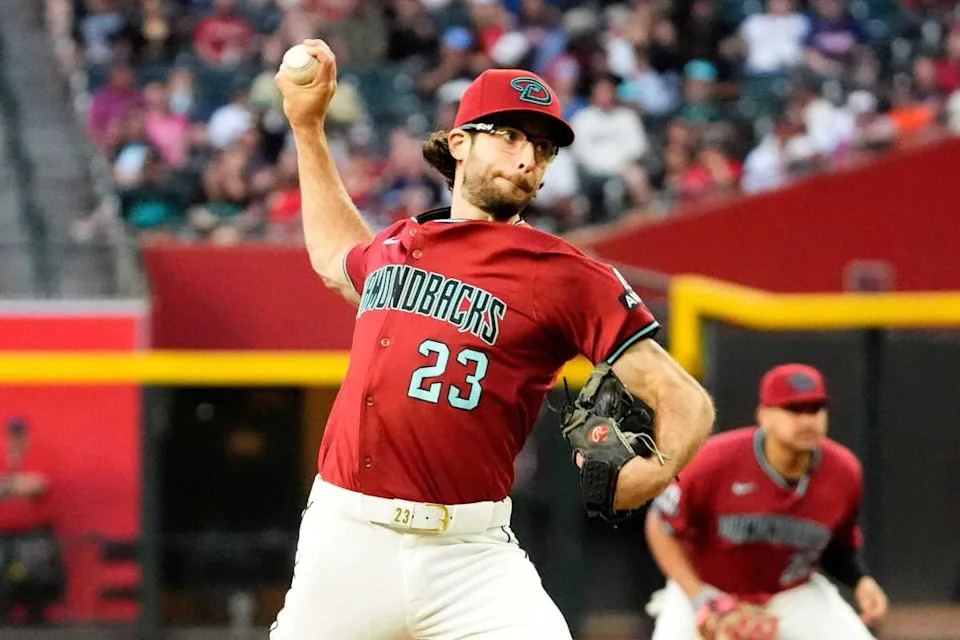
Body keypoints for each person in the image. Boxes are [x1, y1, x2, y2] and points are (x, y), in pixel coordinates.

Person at [270, 39, 715, 639]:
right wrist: (307, 126)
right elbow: (333, 257)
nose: (527, 156)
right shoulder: (402, 243)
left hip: (469, 555)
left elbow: (684, 397)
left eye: (542, 146)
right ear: (459, 143)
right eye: (509, 134)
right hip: (346, 537)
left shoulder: (563, 274)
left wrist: (654, 471)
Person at [644, 363, 889, 640]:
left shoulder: (844, 472)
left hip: (791, 596)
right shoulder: (713, 461)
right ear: (764, 415)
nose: (807, 421)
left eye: (815, 409)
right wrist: (699, 596)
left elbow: (836, 547)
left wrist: (861, 581)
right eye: (794, 410)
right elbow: (661, 526)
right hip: (708, 587)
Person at [0, 418, 64, 625]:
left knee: (35, 569)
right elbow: (25, 486)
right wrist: (17, 484)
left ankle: (36, 615)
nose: (16, 440)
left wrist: (7, 486)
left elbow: (38, 485)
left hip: (34, 534)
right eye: (12, 436)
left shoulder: (40, 457)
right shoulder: (3, 459)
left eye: (21, 435)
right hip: (4, 535)